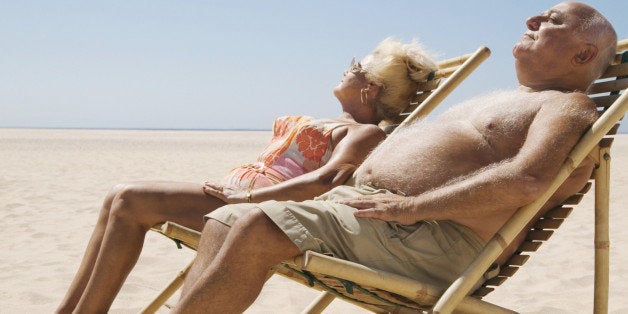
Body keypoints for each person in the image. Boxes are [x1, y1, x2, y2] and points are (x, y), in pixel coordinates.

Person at [172, 2, 618, 313]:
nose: (532, 18)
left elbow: (527, 181)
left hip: (433, 238)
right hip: (377, 216)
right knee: (223, 220)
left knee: (254, 225)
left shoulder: (568, 105)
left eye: (552, 20)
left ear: (582, 54)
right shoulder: (509, 98)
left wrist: (410, 207)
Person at [56, 38, 439, 313]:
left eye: (356, 65)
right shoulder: (339, 121)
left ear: (369, 89)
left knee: (128, 198)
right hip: (234, 200)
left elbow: (327, 181)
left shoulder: (365, 132)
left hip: (247, 212)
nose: (345, 68)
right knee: (116, 199)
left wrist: (248, 199)